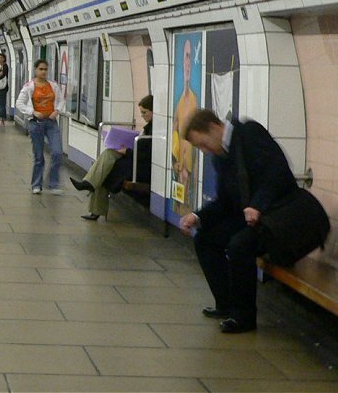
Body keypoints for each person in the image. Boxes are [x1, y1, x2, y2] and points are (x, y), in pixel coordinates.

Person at [177, 109, 298, 334]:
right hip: (249, 217)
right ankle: (226, 303)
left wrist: (258, 205)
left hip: (277, 218)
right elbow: (225, 202)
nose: (204, 151)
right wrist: (198, 216)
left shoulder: (250, 134)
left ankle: (244, 317)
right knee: (205, 239)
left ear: (214, 128)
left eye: (203, 144)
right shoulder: (221, 157)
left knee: (240, 245)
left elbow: (278, 173)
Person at [72, 95, 153, 220]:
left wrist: (127, 151)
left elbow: (147, 155)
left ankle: (89, 186)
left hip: (139, 166)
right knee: (108, 156)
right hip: (133, 159)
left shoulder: (156, 130)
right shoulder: (148, 128)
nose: (142, 116)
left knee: (104, 170)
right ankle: (89, 184)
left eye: (145, 112)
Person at [16, 59, 66, 194]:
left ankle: (53, 183)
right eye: (41, 69)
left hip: (51, 122)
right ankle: (36, 184)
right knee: (39, 156)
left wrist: (57, 111)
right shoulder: (29, 86)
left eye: (45, 69)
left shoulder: (53, 85)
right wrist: (32, 112)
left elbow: (61, 100)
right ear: (35, 70)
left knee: (57, 152)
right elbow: (19, 103)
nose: (43, 72)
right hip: (36, 123)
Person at [172, 39, 199, 204]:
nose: (188, 63)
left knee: (188, 203)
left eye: (190, 57)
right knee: (179, 204)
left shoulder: (196, 101)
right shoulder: (179, 102)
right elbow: (175, 131)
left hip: (190, 166)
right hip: (180, 165)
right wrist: (175, 161)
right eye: (186, 57)